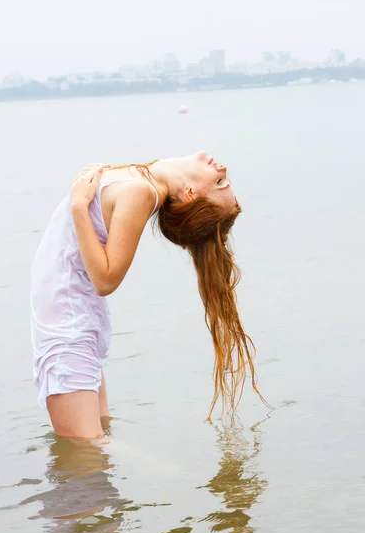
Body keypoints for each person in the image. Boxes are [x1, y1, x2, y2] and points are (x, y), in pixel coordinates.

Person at [31, 151, 266, 441]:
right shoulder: (143, 180)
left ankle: (164, 474)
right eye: (223, 180)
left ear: (190, 194)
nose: (223, 167)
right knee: (96, 442)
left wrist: (79, 206)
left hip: (68, 329)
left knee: (84, 455)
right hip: (74, 320)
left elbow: (105, 280)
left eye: (219, 182)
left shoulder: (141, 192)